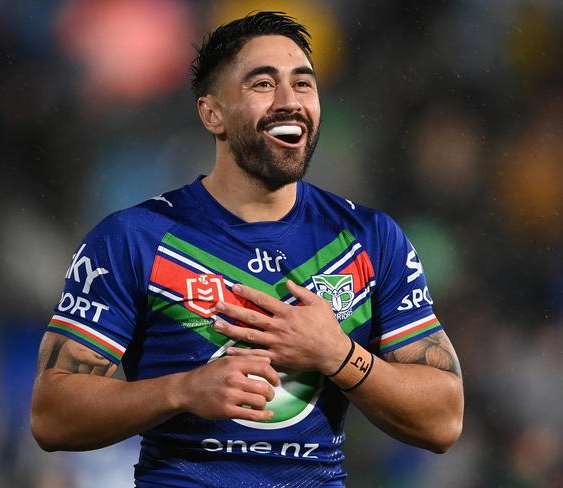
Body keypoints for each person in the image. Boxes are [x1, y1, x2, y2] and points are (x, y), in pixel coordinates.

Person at [30, 11, 464, 486]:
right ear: (211, 113)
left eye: (303, 85)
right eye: (263, 84)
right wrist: (182, 389)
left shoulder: (370, 238)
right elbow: (51, 415)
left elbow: (444, 420)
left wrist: (337, 354)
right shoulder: (134, 238)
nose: (290, 102)